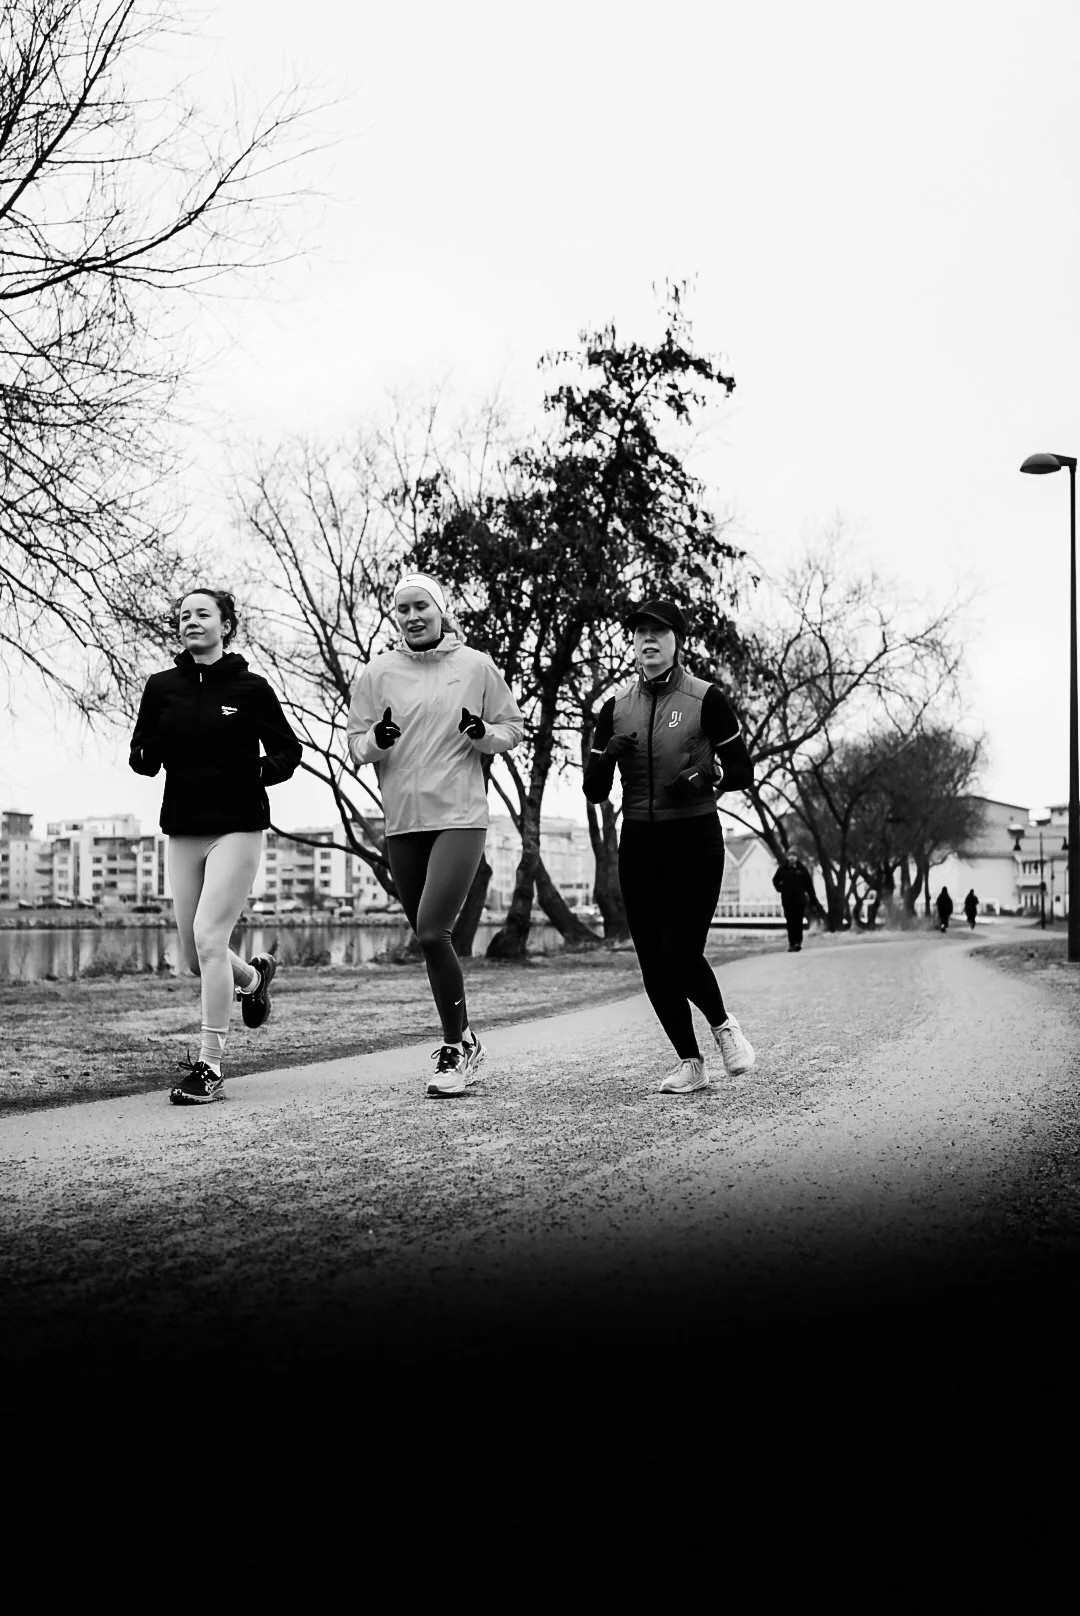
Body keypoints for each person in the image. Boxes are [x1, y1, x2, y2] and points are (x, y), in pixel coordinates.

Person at [347, 573, 524, 1099]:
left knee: (430, 932)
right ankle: (466, 1037)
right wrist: (376, 741)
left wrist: (483, 736)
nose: (412, 615)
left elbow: (511, 727)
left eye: (421, 605)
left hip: (460, 816)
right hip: (402, 823)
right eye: (401, 609)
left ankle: (452, 1048)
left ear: (441, 611)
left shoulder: (475, 665)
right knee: (432, 940)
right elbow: (356, 744)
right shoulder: (376, 673)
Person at [129, 588, 303, 1104]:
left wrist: (257, 772)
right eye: (183, 615)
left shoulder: (251, 688)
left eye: (203, 613)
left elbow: (288, 751)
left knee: (209, 936)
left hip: (238, 825)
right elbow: (141, 759)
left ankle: (210, 1067)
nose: (191, 621)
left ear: (226, 624)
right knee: (194, 956)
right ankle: (252, 977)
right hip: (183, 826)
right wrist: (153, 744)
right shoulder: (161, 687)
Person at [583, 598, 756, 1095]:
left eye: (658, 632)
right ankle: (690, 1062)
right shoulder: (615, 709)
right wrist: (605, 757)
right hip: (639, 841)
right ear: (632, 644)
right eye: (639, 633)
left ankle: (725, 1029)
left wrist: (704, 776)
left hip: (694, 838)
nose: (648, 641)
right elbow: (594, 791)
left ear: (677, 640)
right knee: (652, 964)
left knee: (681, 952)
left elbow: (742, 771)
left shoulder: (707, 699)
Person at [772, 851, 817, 951]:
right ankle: (791, 943)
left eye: (794, 856)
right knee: (790, 922)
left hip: (800, 900)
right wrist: (781, 888)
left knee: (798, 922)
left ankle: (798, 943)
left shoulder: (802, 869)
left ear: (797, 858)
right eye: (790, 856)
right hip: (787, 900)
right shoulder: (782, 869)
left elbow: (809, 885)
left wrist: (812, 898)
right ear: (787, 857)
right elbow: (775, 880)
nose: (792, 858)